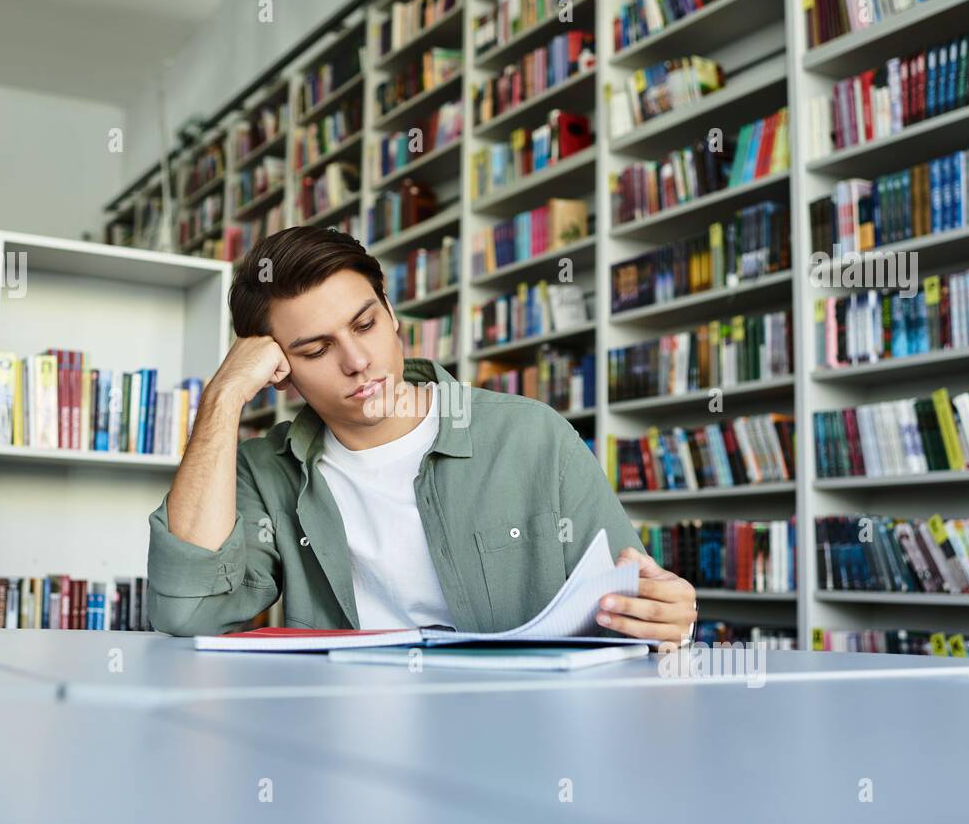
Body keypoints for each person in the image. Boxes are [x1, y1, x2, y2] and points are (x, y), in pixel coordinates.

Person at [146, 226, 696, 647]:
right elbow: (186, 613)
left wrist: (667, 616)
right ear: (277, 369)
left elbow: (632, 612)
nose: (358, 361)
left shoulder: (532, 435)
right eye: (316, 351)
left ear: (392, 314)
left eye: (365, 325)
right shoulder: (266, 472)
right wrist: (222, 397)